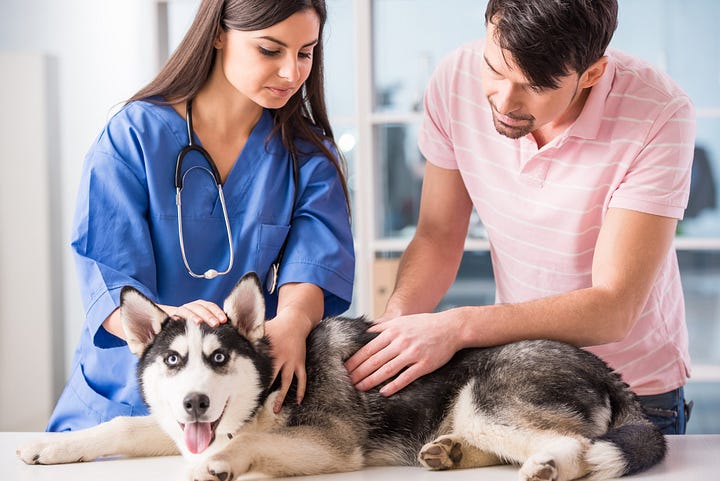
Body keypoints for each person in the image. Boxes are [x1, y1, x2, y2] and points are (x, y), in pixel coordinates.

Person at [346, 0, 695, 435]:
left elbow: (614, 307)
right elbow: (438, 234)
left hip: (631, 392)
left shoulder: (658, 112)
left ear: (592, 73)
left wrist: (457, 327)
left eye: (534, 85)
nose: (504, 101)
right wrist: (395, 331)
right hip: (519, 375)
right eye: (494, 69)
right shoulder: (454, 80)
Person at [48, 0, 354, 432]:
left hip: (230, 403)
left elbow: (313, 265)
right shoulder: (134, 136)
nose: (292, 73)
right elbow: (107, 274)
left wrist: (291, 322)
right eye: (270, 50)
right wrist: (163, 325)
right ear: (218, 35)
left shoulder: (306, 155)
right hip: (124, 400)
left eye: (305, 53)